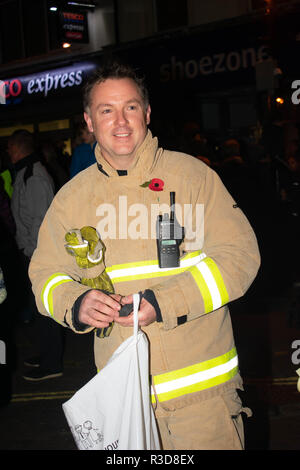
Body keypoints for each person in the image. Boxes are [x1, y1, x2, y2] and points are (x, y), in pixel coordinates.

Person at [29, 62, 260, 449]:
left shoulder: (193, 178)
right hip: (124, 401)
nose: (120, 121)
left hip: (204, 403)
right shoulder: (71, 199)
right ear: (89, 120)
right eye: (106, 110)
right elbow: (45, 277)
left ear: (147, 113)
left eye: (131, 107)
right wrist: (77, 302)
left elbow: (240, 257)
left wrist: (163, 302)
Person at [7, 129, 64, 381]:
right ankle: (46, 354)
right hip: (30, 252)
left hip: (39, 254)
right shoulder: (24, 172)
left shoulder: (34, 175)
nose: (7, 152)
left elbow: (42, 221)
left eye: (9, 147)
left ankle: (52, 363)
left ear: (18, 148)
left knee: (46, 309)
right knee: (39, 308)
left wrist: (34, 255)